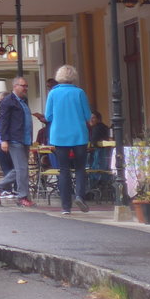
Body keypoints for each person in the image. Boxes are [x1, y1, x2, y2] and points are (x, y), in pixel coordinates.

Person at [47, 64, 92, 214]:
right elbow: (87, 115)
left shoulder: (53, 94)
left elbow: (48, 116)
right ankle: (79, 195)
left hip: (59, 136)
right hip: (79, 134)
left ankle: (66, 206)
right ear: (73, 77)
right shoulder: (79, 92)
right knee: (80, 168)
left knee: (64, 170)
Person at [0, 76, 34, 207]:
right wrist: (4, 140)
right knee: (22, 169)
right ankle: (22, 197)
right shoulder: (7, 101)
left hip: (25, 138)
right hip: (15, 139)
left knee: (21, 169)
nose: (25, 88)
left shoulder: (23, 100)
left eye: (26, 86)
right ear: (15, 86)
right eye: (23, 86)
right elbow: (4, 121)